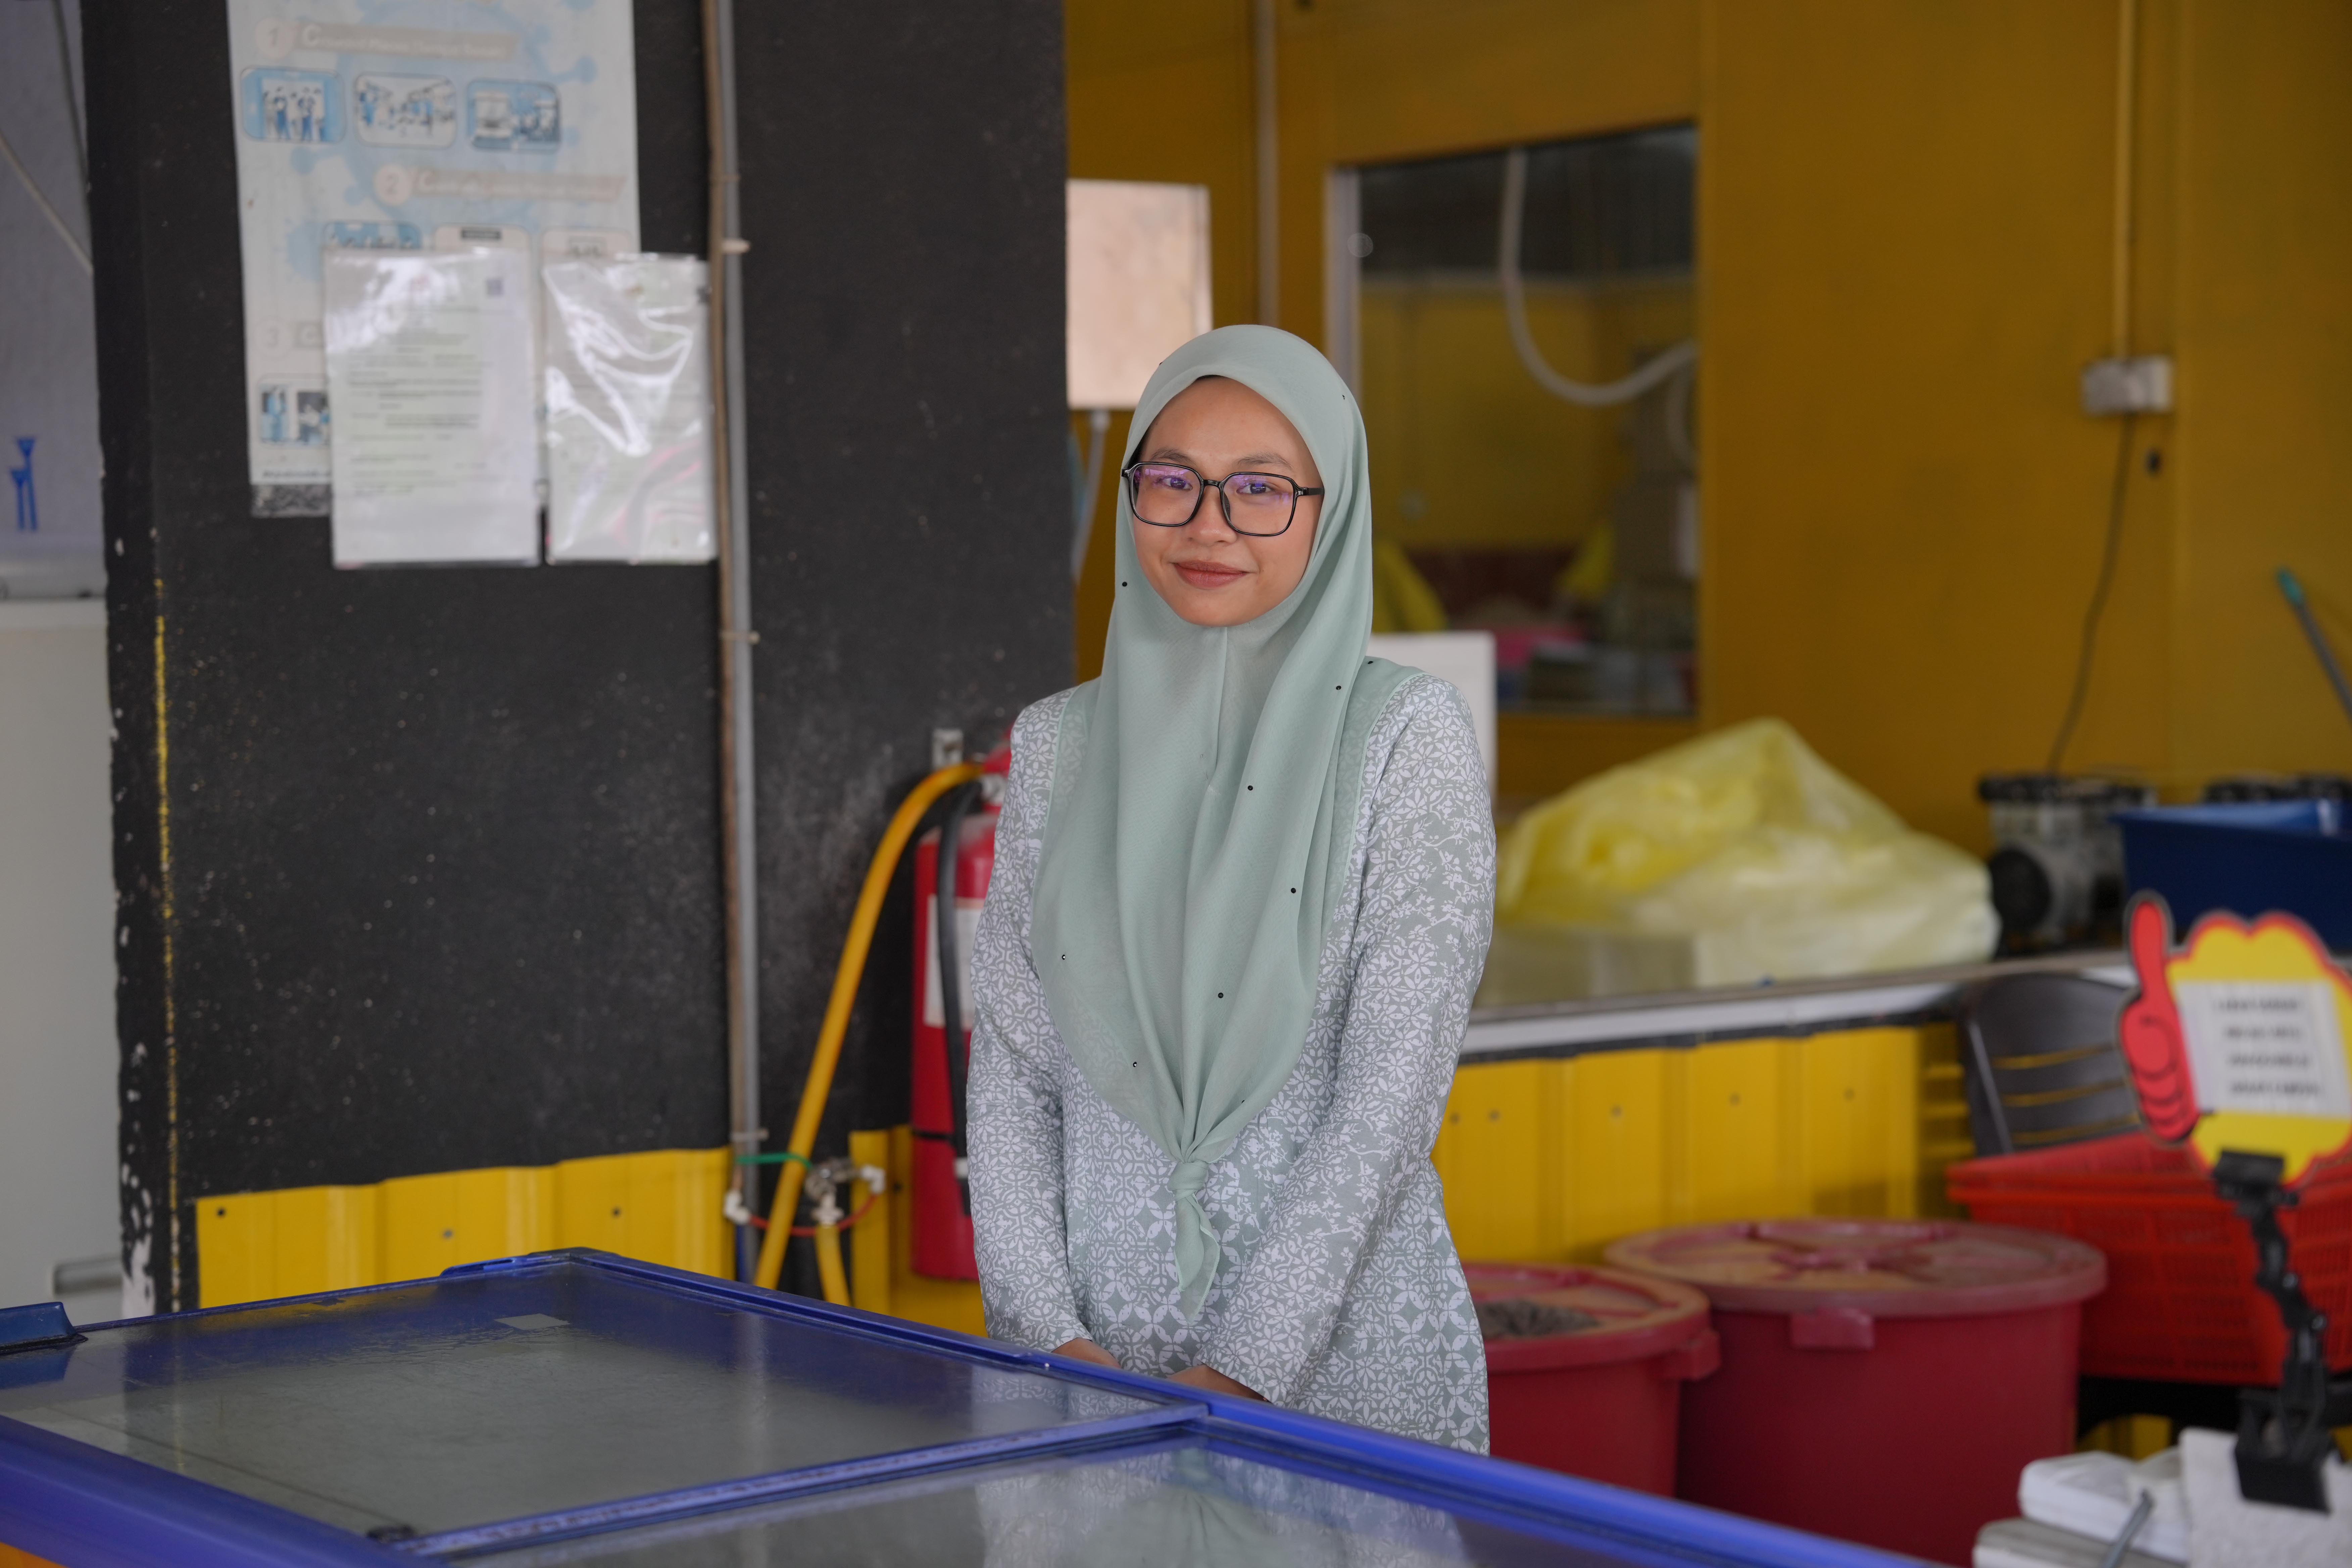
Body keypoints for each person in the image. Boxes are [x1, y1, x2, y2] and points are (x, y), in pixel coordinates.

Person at [967, 325, 1494, 1451]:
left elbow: (1390, 1095)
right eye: (1173, 480)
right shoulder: (1057, 747)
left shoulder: (1403, 738)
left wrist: (1241, 1375)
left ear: (1331, 511)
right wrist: (1044, 1341)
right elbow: (1013, 1066)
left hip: (1341, 1383)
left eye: (1261, 488)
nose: (1209, 525)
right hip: (1085, 1389)